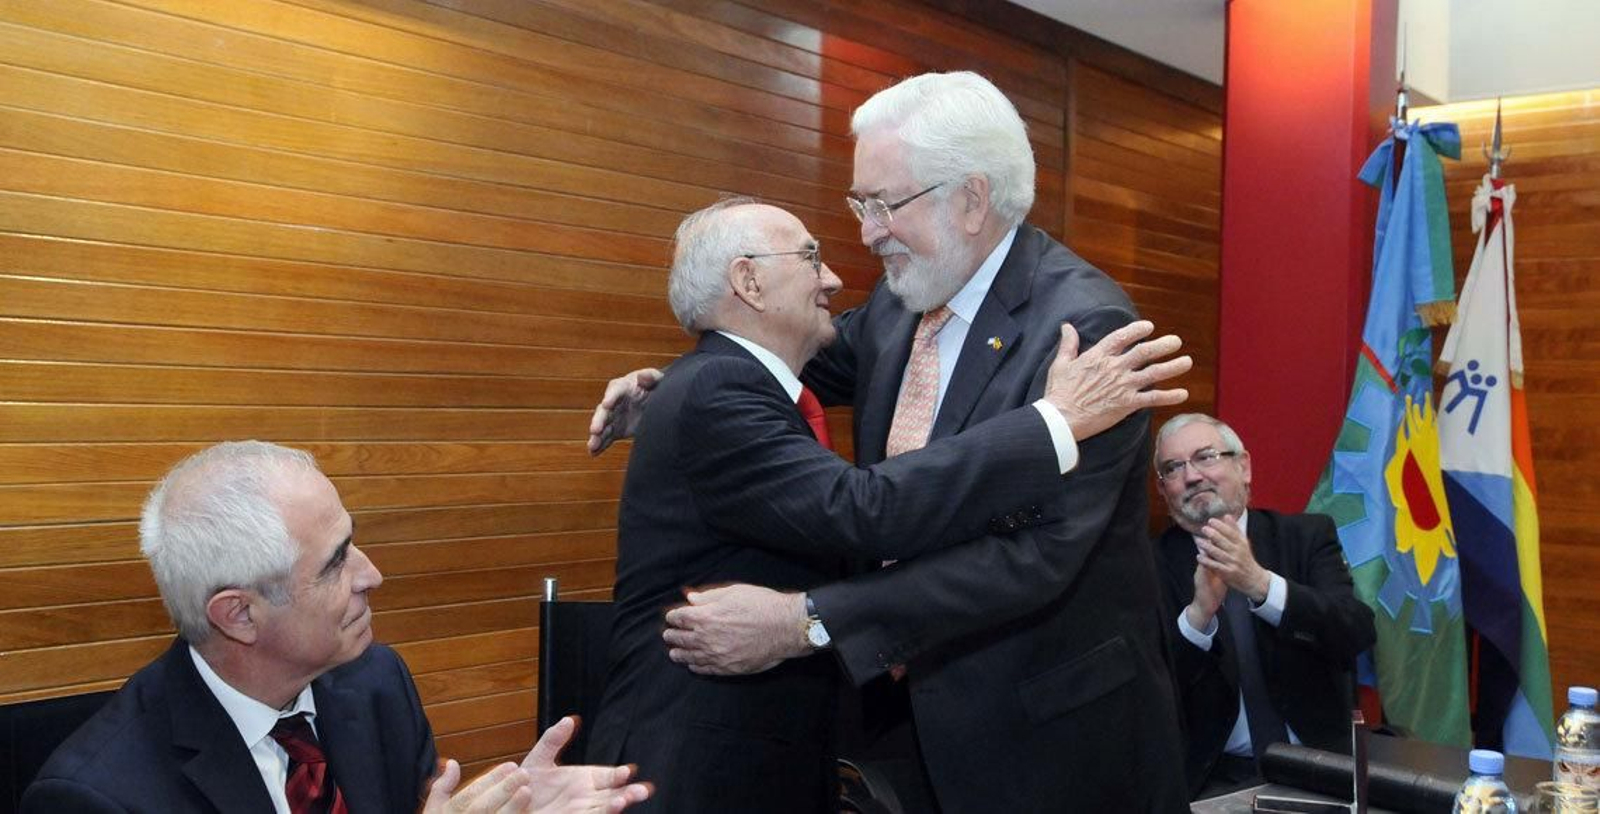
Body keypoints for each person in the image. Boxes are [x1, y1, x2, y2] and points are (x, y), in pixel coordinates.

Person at [590, 71, 1192, 812]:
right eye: (860, 204)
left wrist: (807, 621)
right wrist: (678, 394)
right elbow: (779, 356)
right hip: (902, 734)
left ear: (971, 200)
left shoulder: (1086, 335)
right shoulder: (902, 304)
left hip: (1046, 741)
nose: (867, 233)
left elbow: (1032, 556)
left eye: (883, 204)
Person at [23, 441, 651, 814]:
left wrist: (507, 800)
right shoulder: (96, 797)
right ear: (239, 614)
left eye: (354, 544)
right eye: (334, 563)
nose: (372, 575)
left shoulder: (375, 683)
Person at [1150, 413, 1376, 799]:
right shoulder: (1147, 564)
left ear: (1244, 466)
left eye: (1206, 457)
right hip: (1213, 778)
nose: (1191, 476)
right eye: (1174, 468)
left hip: (1318, 767)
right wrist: (1199, 616)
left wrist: (1260, 584)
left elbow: (1355, 632)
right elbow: (1152, 692)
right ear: (1163, 489)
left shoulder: (1305, 536)